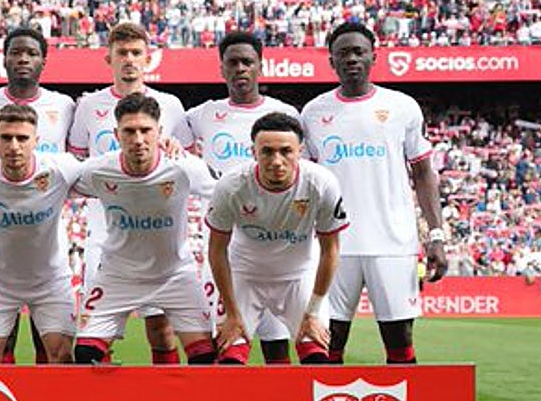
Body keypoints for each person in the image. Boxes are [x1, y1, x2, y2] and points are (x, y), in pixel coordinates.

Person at [301, 21, 448, 364]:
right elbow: (305, 182)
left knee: (399, 338)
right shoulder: (313, 112)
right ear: (331, 61)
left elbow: (423, 173)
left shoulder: (402, 107)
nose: (351, 59)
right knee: (327, 339)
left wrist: (436, 234)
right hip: (333, 244)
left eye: (358, 52)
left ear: (373, 57)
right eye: (343, 53)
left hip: (392, 241)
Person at [67, 21, 193, 364]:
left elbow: (185, 164)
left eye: (136, 53)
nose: (129, 60)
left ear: (148, 58)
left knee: (162, 331)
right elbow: (79, 164)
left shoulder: (171, 105)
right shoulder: (89, 106)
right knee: (95, 333)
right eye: (121, 53)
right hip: (105, 235)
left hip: (157, 236)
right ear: (108, 58)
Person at [71, 94, 217, 365]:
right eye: (129, 131)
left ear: (159, 132)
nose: (138, 139)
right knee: (85, 354)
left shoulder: (184, 168)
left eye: (145, 130)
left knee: (205, 356)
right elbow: (53, 186)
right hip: (118, 276)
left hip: (175, 275)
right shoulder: (99, 170)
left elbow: (227, 195)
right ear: (116, 134)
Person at [186, 29, 302, 363]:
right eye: (233, 62)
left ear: (260, 66)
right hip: (224, 244)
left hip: (274, 243)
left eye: (247, 62)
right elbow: (174, 148)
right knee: (224, 339)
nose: (240, 69)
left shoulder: (286, 114)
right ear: (222, 68)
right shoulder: (202, 115)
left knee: (276, 342)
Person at [0, 25, 74, 361]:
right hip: (0, 248)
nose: (23, 58)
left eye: (32, 53)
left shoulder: (65, 106)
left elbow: (77, 170)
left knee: (53, 352)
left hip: (49, 244)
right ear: (4, 58)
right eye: (16, 52)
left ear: (44, 61)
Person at [206, 112, 348, 365]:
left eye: (286, 151)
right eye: (267, 151)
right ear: (253, 152)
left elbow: (331, 250)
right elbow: (216, 251)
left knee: (316, 354)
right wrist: (231, 313)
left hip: (299, 277)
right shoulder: (231, 186)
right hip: (244, 276)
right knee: (229, 357)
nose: (277, 160)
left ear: (300, 151)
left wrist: (313, 311)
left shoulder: (322, 183)